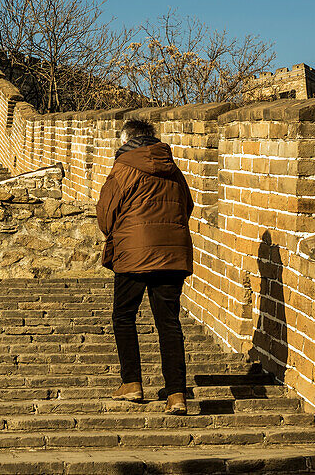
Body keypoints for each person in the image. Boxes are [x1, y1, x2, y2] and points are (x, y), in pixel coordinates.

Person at [96, 118, 193, 415]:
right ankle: (176, 394)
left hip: (133, 253)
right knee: (169, 322)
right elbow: (187, 206)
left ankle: (132, 383)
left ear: (127, 140)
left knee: (124, 316)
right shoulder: (173, 169)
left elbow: (105, 213)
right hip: (172, 254)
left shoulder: (122, 167)